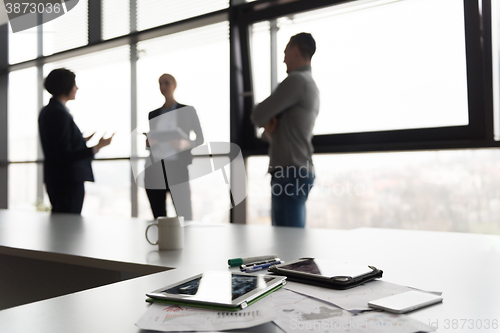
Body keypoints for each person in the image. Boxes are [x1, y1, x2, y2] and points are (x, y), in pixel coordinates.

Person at [251, 33, 319, 228]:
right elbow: (283, 132)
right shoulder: (309, 84)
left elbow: (258, 115)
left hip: (290, 170)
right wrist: (270, 132)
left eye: (285, 52)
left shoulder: (296, 81)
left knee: (289, 243)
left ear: (295, 50)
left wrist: (263, 118)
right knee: (288, 240)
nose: (283, 59)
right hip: (295, 168)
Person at [38, 68, 113, 214]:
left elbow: (58, 144)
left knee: (62, 222)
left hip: (57, 178)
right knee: (68, 223)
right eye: (74, 84)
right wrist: (98, 147)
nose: (76, 88)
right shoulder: (59, 113)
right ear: (65, 86)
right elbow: (64, 154)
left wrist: (81, 139)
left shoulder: (49, 110)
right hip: (67, 179)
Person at [144, 74, 204, 220]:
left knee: (184, 215)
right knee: (158, 217)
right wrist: (149, 143)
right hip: (154, 169)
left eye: (166, 83)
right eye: (160, 84)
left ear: (174, 85)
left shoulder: (188, 110)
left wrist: (184, 144)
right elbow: (153, 140)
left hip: (177, 167)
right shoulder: (153, 114)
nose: (163, 87)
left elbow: (200, 138)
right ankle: (160, 243)